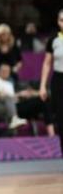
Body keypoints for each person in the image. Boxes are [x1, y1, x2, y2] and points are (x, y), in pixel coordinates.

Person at [39, 8, 63, 153]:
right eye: (62, 20)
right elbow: (47, 63)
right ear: (58, 22)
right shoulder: (53, 39)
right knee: (61, 119)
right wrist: (42, 86)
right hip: (59, 80)